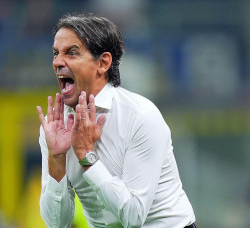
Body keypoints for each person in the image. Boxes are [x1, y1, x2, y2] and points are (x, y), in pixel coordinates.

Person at [36, 13, 196, 228]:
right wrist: (56, 158)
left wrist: (86, 155)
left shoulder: (140, 116)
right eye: (56, 53)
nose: (57, 62)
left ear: (103, 63)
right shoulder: (55, 126)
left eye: (71, 53)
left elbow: (133, 217)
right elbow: (57, 223)